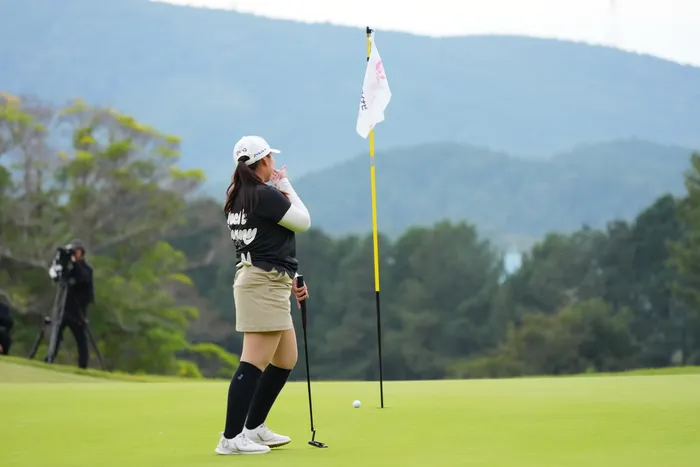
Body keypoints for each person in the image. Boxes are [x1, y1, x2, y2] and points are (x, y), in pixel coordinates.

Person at [215, 135, 311, 455]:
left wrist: (291, 276)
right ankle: (231, 438)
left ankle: (254, 428)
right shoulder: (263, 194)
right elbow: (303, 221)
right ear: (265, 161)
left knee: (285, 359)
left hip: (266, 279)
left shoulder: (238, 195)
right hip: (263, 285)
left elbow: (266, 242)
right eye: (271, 158)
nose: (274, 164)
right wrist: (285, 184)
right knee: (253, 362)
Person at [47, 239, 94, 369]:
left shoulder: (86, 268)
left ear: (81, 252)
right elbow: (57, 276)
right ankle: (50, 358)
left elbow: (83, 278)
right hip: (64, 307)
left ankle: (83, 366)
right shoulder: (68, 267)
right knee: (56, 334)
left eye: (76, 251)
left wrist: (74, 263)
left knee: (81, 339)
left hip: (78, 309)